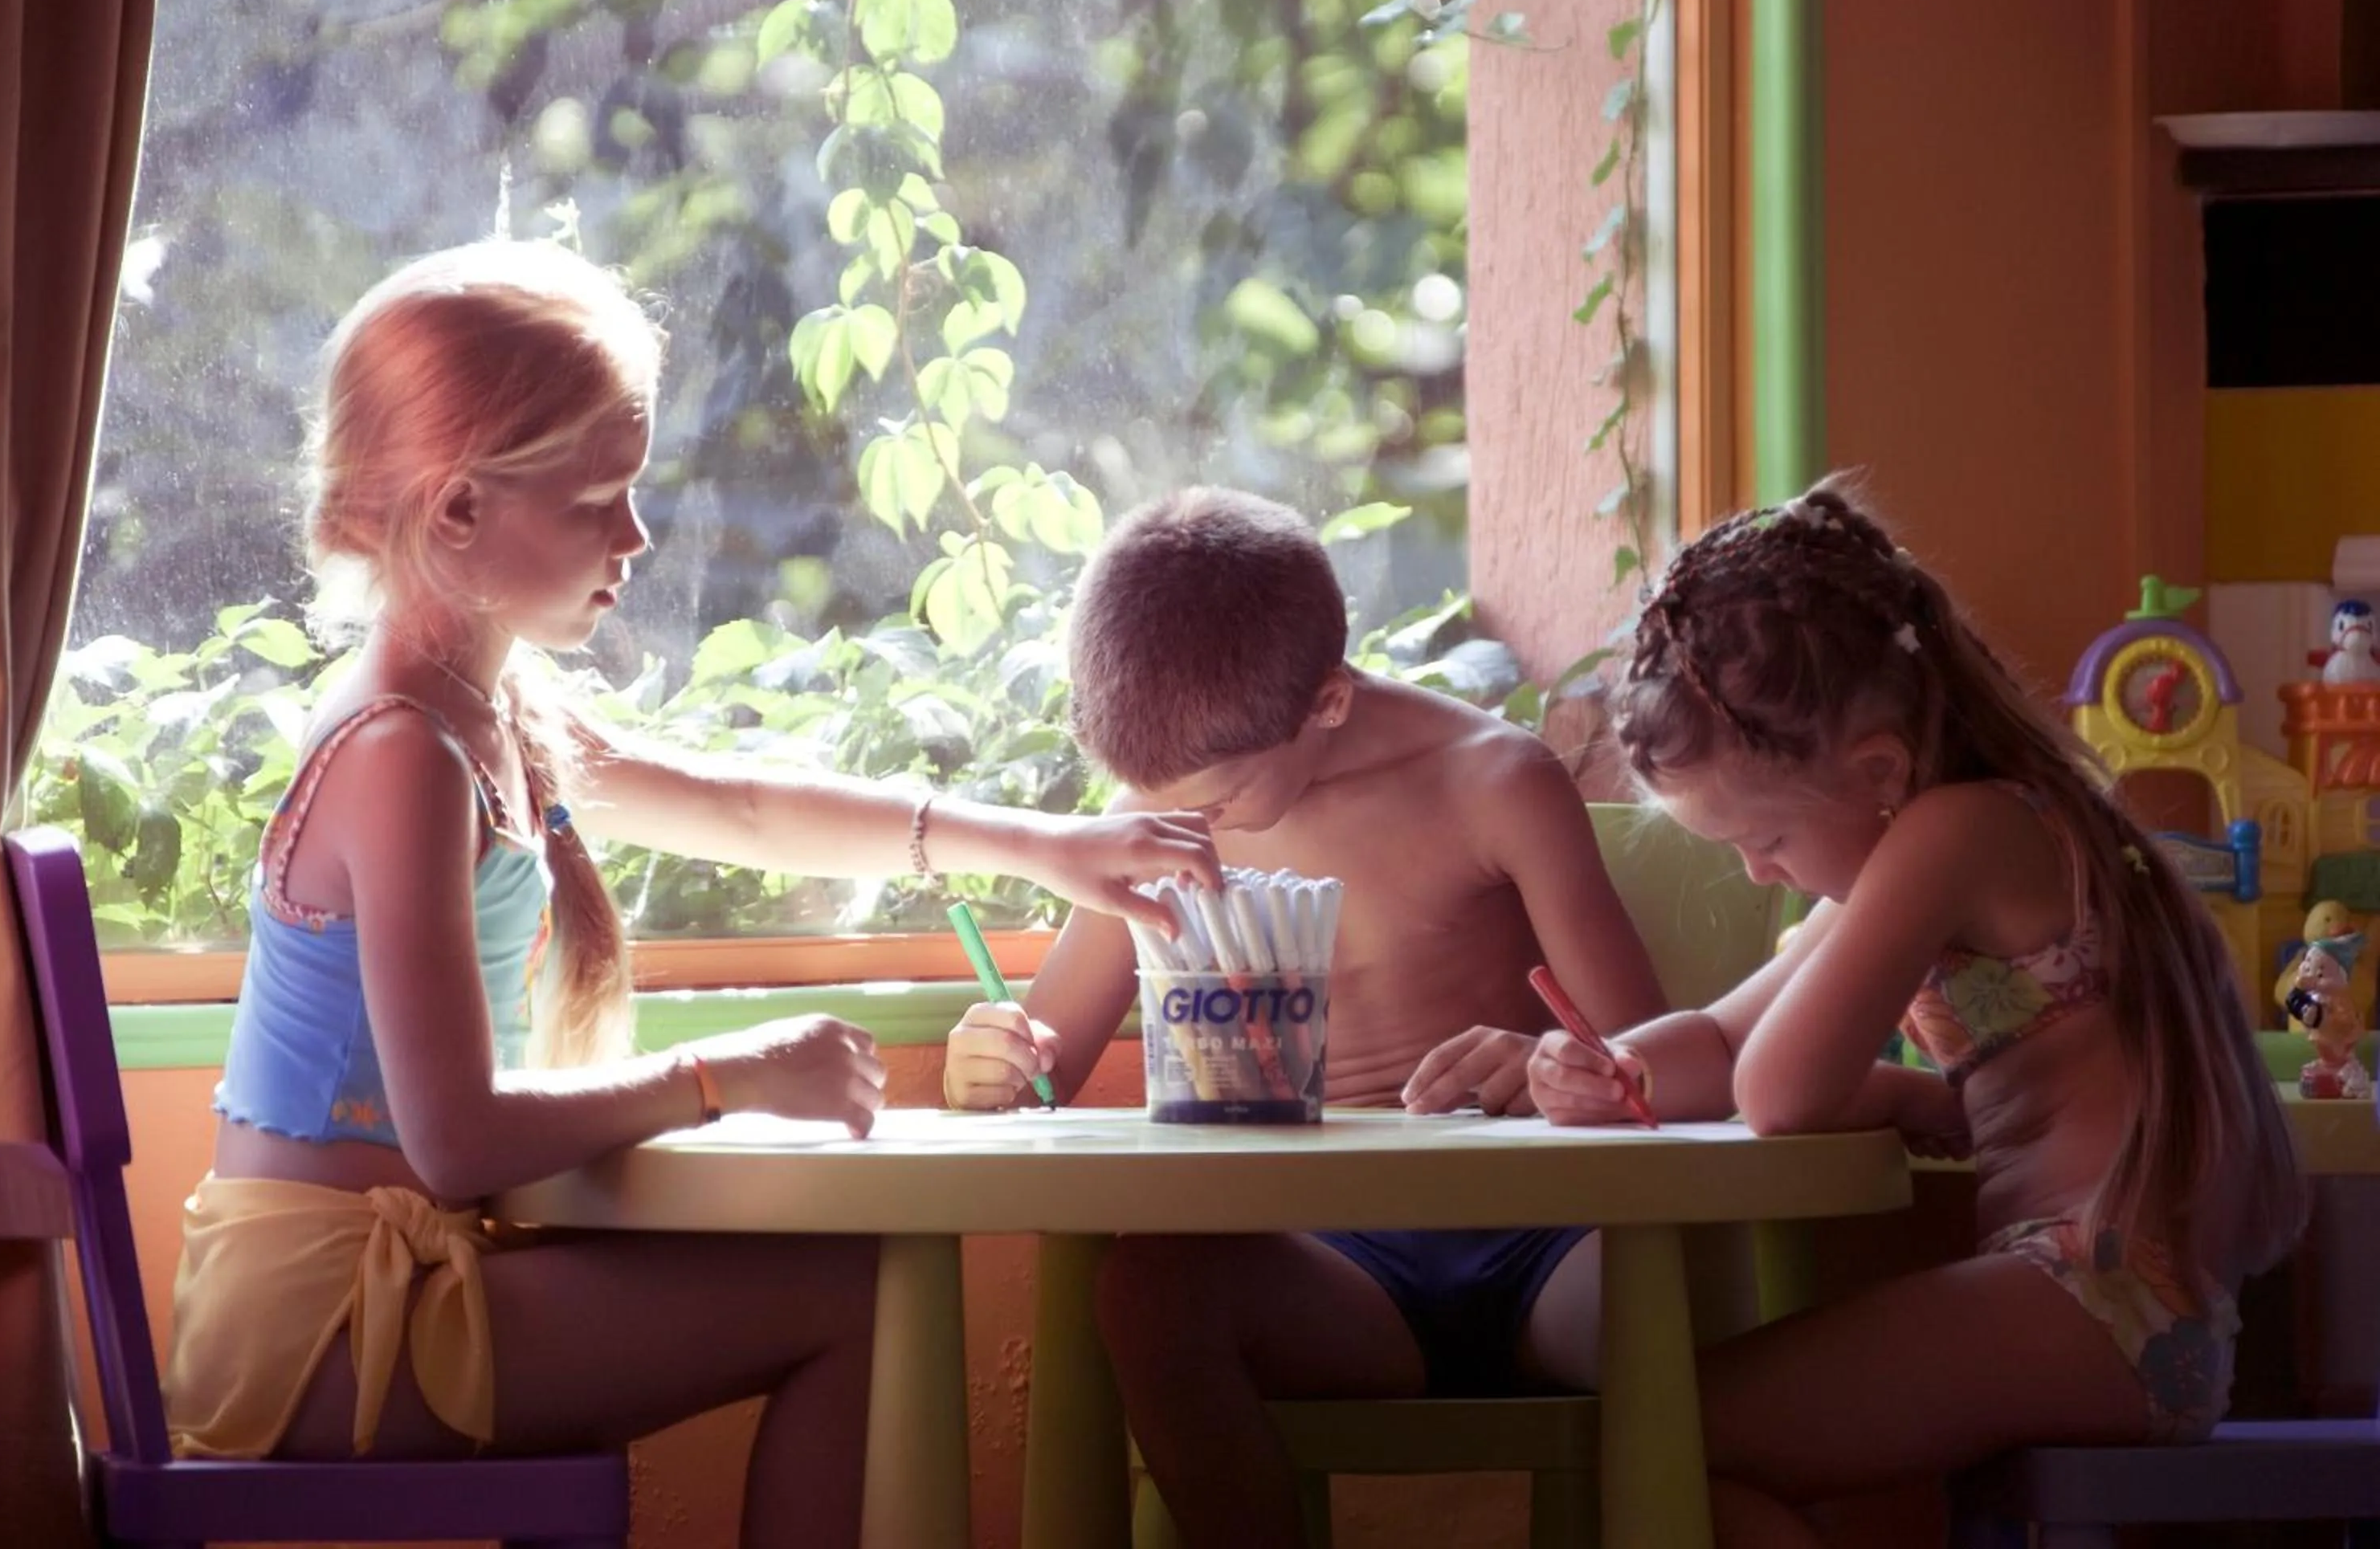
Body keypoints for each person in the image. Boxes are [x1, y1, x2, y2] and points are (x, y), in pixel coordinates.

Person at [156, 238, 1219, 1549]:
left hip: (364, 1299)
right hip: (325, 1330)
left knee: (852, 1289)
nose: (638, 536)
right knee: (851, 1304)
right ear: (457, 512)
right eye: (600, 499)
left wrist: (1041, 846)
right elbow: (458, 1141)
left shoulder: (485, 707)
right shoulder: (399, 755)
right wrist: (732, 1069)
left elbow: (739, 805)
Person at [1528, 481, 2306, 1547]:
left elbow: (1778, 1093)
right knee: (1675, 1433)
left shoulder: (1960, 831)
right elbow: (1718, 1042)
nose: (1762, 874)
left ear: (1878, 771)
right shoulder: (1953, 834)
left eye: (1768, 840)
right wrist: (1606, 1065)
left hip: (2095, 1304)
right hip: (2118, 1317)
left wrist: (1891, 1094)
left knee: (1669, 1434)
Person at [940, 487, 1667, 1545]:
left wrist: (1558, 1062)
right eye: (1154, 801)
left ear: (1326, 702)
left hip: (1546, 1237)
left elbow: (1657, 1063)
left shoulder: (1493, 782)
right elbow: (1044, 1062)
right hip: (1332, 1273)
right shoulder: (1152, 818)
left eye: (1215, 802)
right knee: (1146, 1294)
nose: (1185, 828)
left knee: (1676, 1322)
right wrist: (990, 1062)